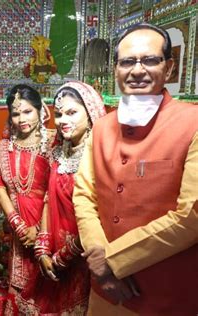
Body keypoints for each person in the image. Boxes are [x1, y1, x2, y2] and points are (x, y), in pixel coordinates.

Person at [74, 22, 198, 315]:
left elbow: (192, 215)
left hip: (167, 294)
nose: (137, 70)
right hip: (106, 294)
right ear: (116, 70)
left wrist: (113, 261)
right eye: (127, 62)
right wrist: (100, 265)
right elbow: (84, 196)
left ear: (169, 68)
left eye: (150, 60)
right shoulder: (102, 127)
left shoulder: (193, 123)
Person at [22, 81, 106, 315]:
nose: (62, 121)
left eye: (71, 112)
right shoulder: (57, 151)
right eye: (58, 114)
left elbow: (98, 213)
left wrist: (64, 256)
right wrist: (42, 247)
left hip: (85, 256)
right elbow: (49, 199)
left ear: (90, 115)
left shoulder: (98, 156)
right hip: (54, 253)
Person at [0, 84, 52, 314]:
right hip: (19, 228)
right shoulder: (4, 147)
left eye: (28, 111)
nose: (21, 119)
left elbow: (57, 189)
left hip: (49, 225)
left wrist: (39, 229)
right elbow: (0, 188)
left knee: (49, 290)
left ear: (40, 110)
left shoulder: (54, 144)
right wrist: (19, 226)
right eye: (16, 113)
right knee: (21, 287)